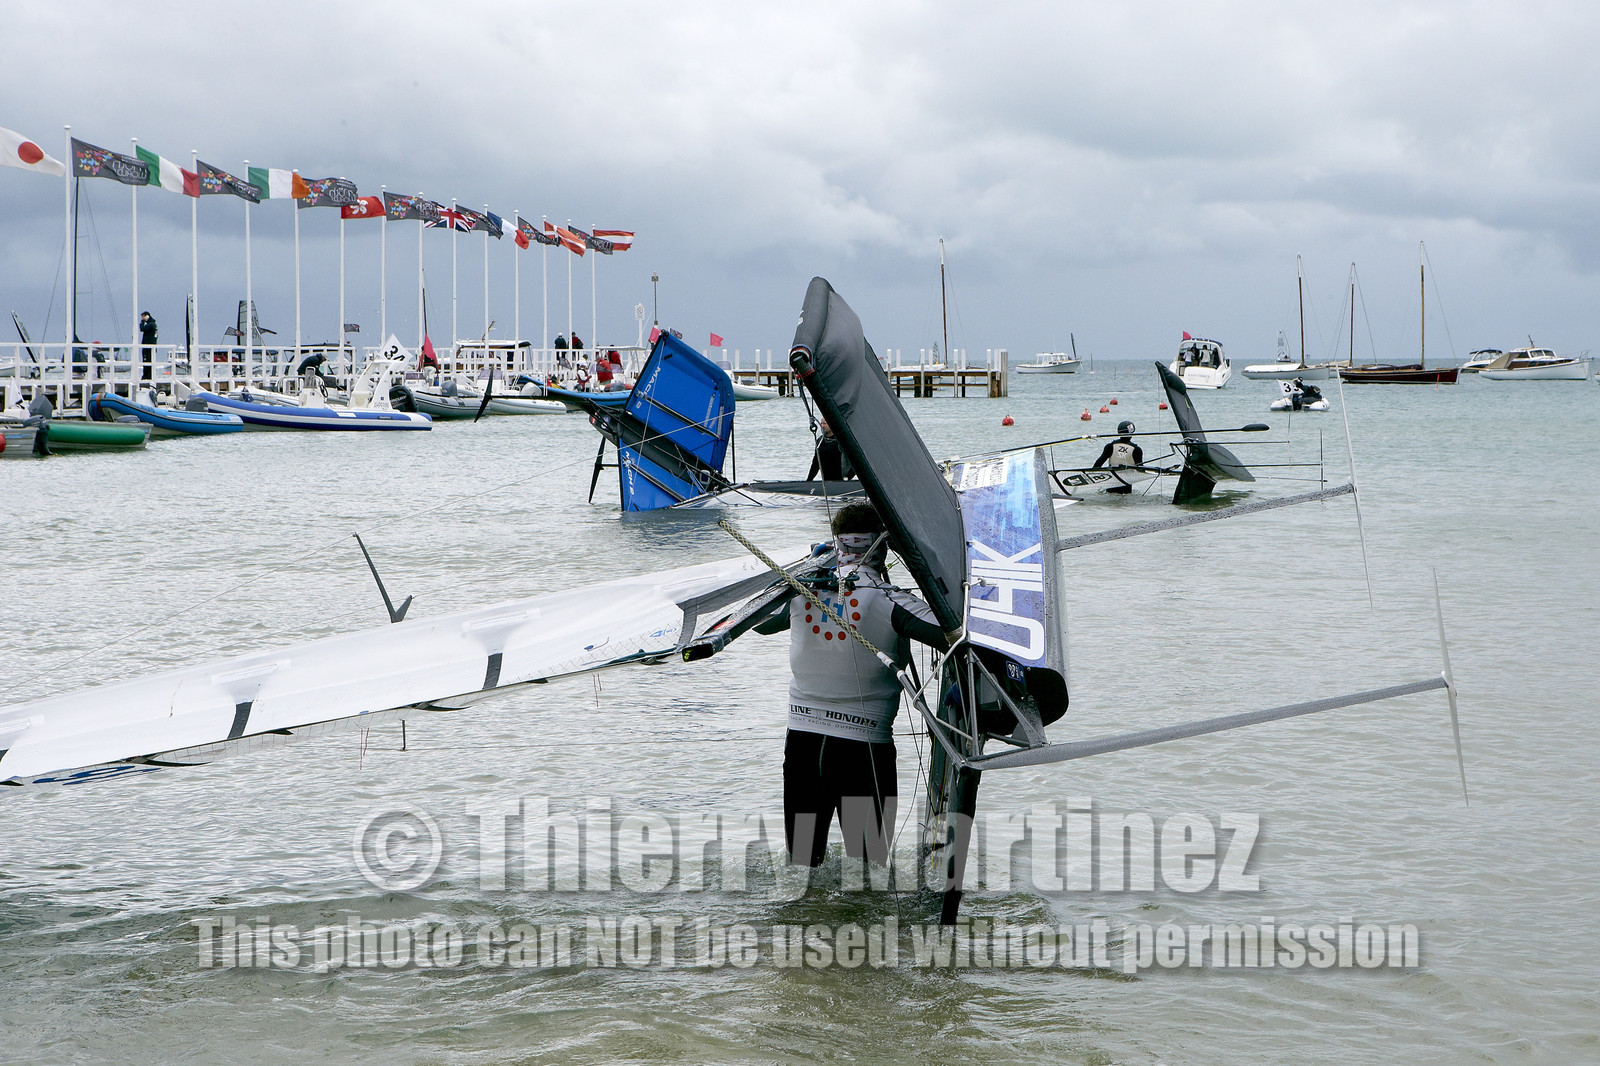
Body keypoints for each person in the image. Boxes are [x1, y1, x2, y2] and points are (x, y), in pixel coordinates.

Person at [755, 502, 947, 867]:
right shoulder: (889, 600)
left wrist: (807, 572)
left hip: (803, 746)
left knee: (802, 864)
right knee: (869, 869)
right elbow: (951, 635)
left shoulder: (803, 590)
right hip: (862, 752)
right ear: (885, 547)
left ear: (835, 543)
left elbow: (759, 622)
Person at [1091, 420, 1142, 493]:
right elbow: (1141, 470)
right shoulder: (1137, 450)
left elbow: (1098, 464)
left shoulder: (1110, 446)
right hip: (1126, 486)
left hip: (1110, 485)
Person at [138, 312, 157, 380]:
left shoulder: (151, 325)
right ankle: (148, 376)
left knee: (147, 362)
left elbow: (142, 328)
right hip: (151, 346)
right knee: (149, 362)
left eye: (143, 317)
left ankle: (147, 376)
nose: (142, 318)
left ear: (147, 316)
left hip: (148, 346)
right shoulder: (153, 324)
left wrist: (141, 323)